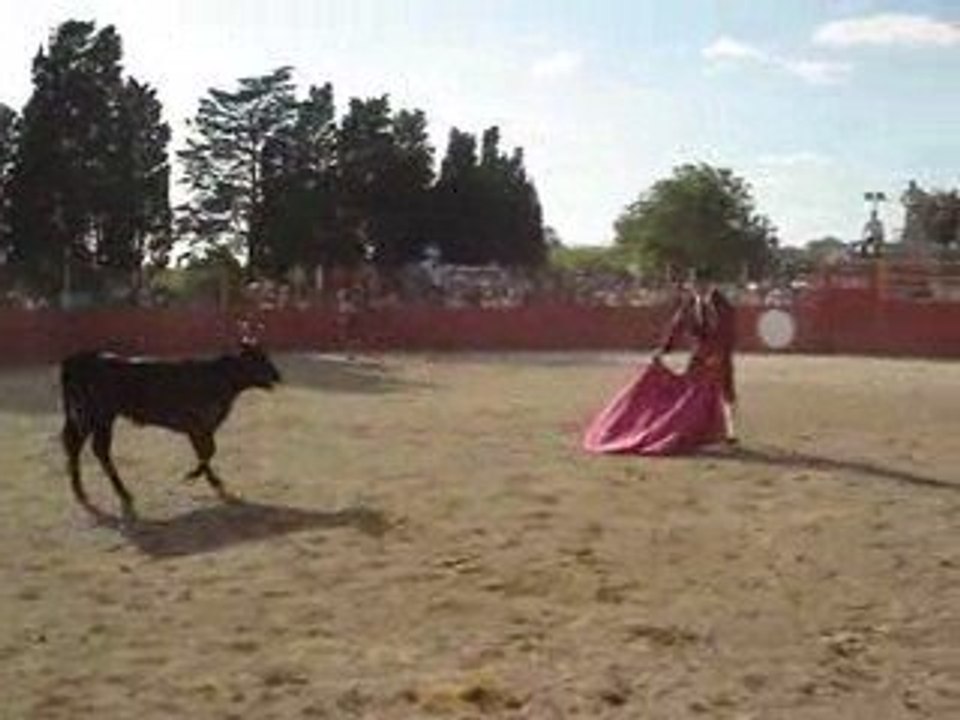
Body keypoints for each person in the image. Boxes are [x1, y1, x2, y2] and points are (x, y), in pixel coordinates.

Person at [656, 271, 738, 443]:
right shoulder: (689, 302)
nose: (697, 288)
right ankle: (690, 427)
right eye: (695, 285)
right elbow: (676, 326)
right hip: (699, 352)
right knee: (689, 386)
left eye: (701, 285)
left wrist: (720, 354)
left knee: (726, 389)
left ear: (710, 284)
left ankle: (731, 431)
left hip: (719, 353)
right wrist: (663, 349)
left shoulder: (722, 304)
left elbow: (727, 332)